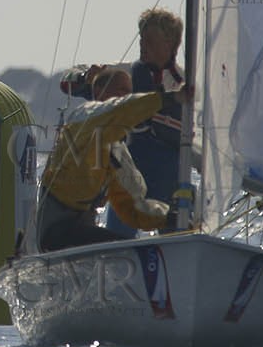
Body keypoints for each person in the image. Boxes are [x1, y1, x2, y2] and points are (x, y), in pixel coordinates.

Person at [60, 7, 190, 232]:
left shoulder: (188, 85)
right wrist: (86, 77)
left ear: (169, 44)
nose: (142, 45)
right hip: (129, 180)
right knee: (118, 238)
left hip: (170, 180)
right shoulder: (124, 77)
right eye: (141, 39)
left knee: (180, 230)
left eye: (149, 40)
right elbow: (66, 83)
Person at [34, 68, 170, 252]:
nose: (125, 96)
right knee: (121, 249)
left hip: (82, 229)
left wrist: (168, 217)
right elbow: (118, 111)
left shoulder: (116, 152)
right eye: (120, 90)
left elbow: (134, 207)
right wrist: (162, 99)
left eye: (128, 92)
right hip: (53, 231)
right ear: (99, 92)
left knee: (132, 249)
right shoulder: (83, 117)